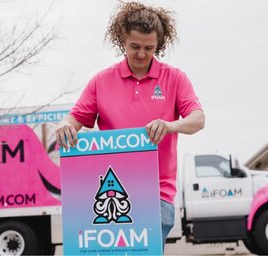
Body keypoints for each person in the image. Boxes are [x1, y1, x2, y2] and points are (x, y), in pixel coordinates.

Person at [55, 1, 205, 252]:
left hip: (156, 196)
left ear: (159, 45)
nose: (141, 54)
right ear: (121, 40)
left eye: (149, 48)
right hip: (107, 196)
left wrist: (169, 125)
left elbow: (198, 119)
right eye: (134, 46)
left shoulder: (175, 78)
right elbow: (74, 118)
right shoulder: (102, 81)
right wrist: (65, 125)